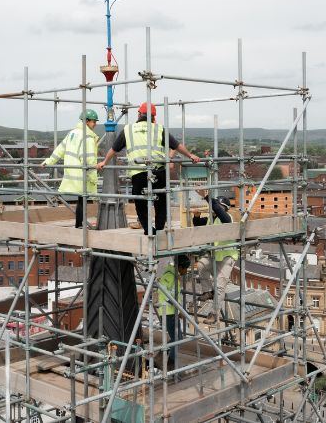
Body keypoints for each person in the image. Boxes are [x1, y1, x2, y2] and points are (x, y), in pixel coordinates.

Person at [96, 102, 200, 235]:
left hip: (138, 172)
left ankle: (148, 230)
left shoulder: (128, 130)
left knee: (140, 202)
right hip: (158, 171)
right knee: (161, 201)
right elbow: (177, 145)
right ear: (153, 117)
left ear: (139, 114)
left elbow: (114, 149)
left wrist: (104, 162)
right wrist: (190, 155)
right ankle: (160, 230)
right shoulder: (159, 129)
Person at [42, 109, 100, 228]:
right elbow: (88, 160)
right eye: (93, 122)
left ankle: (79, 225)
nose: (95, 124)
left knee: (81, 200)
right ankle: (79, 225)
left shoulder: (72, 133)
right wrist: (94, 178)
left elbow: (60, 150)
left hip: (71, 174)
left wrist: (48, 161)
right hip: (81, 174)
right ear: (86, 121)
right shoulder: (87, 136)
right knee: (82, 201)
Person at [192, 192, 239, 325]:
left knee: (219, 285)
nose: (212, 210)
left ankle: (214, 314)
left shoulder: (226, 218)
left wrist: (208, 197)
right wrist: (196, 217)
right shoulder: (211, 219)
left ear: (222, 208)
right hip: (215, 255)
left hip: (227, 257)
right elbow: (199, 224)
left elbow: (220, 212)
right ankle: (207, 291)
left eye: (216, 207)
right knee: (201, 264)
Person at [157, 254, 190, 370]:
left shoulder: (173, 276)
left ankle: (161, 354)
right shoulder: (170, 276)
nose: (186, 271)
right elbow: (165, 293)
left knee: (177, 338)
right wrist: (179, 309)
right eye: (185, 268)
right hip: (167, 313)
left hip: (171, 312)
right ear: (180, 267)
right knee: (177, 339)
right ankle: (170, 363)